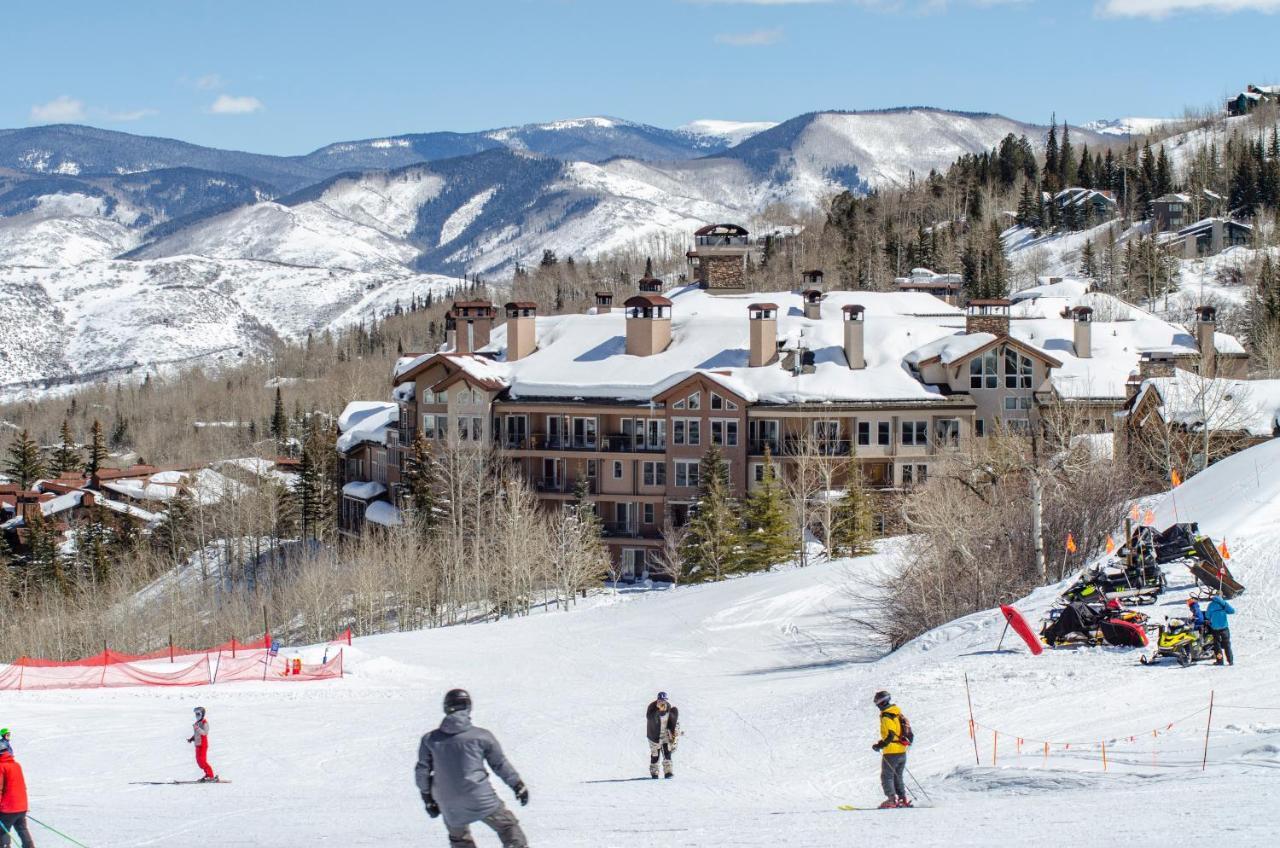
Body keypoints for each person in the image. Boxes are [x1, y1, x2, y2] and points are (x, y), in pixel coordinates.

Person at [416, 689, 529, 848]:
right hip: (480, 797)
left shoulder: (430, 739)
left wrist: (427, 799)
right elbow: (499, 764)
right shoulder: (482, 736)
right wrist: (517, 784)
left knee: (459, 839)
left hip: (447, 801)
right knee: (508, 827)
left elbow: (422, 771)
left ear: (446, 708)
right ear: (468, 707)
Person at [871, 690, 910, 809]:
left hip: (891, 751)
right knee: (897, 775)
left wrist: (880, 745)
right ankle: (902, 799)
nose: (877, 705)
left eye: (877, 702)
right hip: (902, 750)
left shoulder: (886, 715)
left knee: (887, 776)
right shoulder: (897, 713)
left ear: (882, 702)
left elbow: (890, 734)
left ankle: (892, 800)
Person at [0, 741, 35, 848]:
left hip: (8, 808)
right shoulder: (16, 765)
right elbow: (22, 786)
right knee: (22, 828)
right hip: (21, 806)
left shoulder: (1, 767)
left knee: (2, 831)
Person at [645, 692, 679, 779]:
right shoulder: (652, 707)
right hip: (654, 736)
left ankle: (668, 772)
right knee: (655, 755)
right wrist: (657, 710)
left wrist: (673, 732)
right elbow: (650, 717)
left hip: (665, 736)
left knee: (667, 753)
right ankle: (654, 773)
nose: (662, 703)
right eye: (660, 700)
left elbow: (672, 720)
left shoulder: (668, 707)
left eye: (664, 700)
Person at [186, 706, 218, 783]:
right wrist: (191, 739)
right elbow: (197, 734)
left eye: (198, 714)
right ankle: (207, 775)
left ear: (202, 714)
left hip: (203, 745)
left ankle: (210, 775)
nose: (196, 715)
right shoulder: (197, 723)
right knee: (199, 762)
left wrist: (197, 728)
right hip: (197, 745)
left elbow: (204, 733)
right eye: (196, 714)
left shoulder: (205, 723)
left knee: (202, 761)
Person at [1206, 594, 1235, 666]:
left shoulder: (1211, 605)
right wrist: (1225, 604)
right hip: (1224, 628)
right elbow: (1232, 611)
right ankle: (1230, 661)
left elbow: (1207, 615)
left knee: (1217, 645)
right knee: (1227, 644)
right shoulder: (1223, 604)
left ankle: (1220, 661)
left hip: (1215, 628)